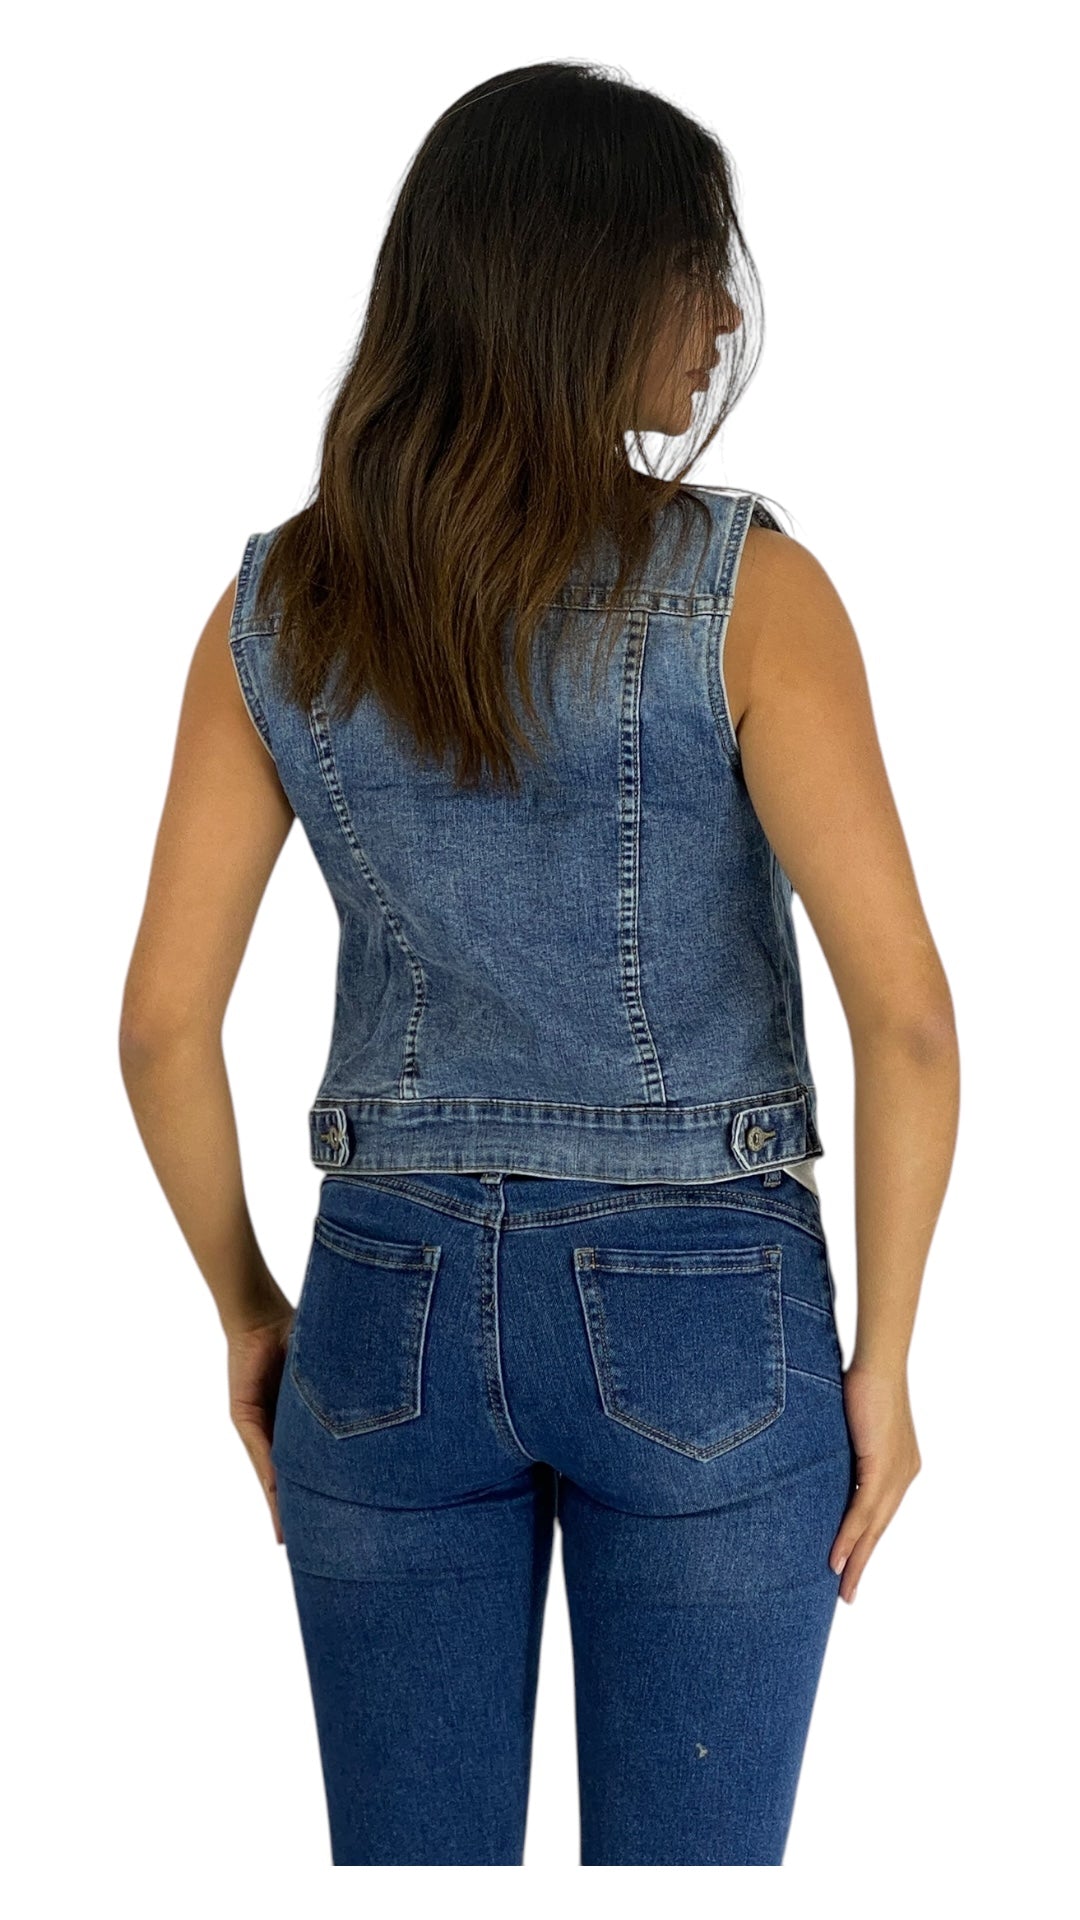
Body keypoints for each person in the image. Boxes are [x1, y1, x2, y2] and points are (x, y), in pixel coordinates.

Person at [119, 61, 959, 1866]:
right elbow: (905, 1018)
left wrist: (253, 1315)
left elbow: (161, 1028)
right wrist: (886, 1360)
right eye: (693, 268)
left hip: (386, 1309)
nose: (723, 315)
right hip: (706, 1315)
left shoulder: (279, 608)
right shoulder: (749, 595)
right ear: (583, 284)